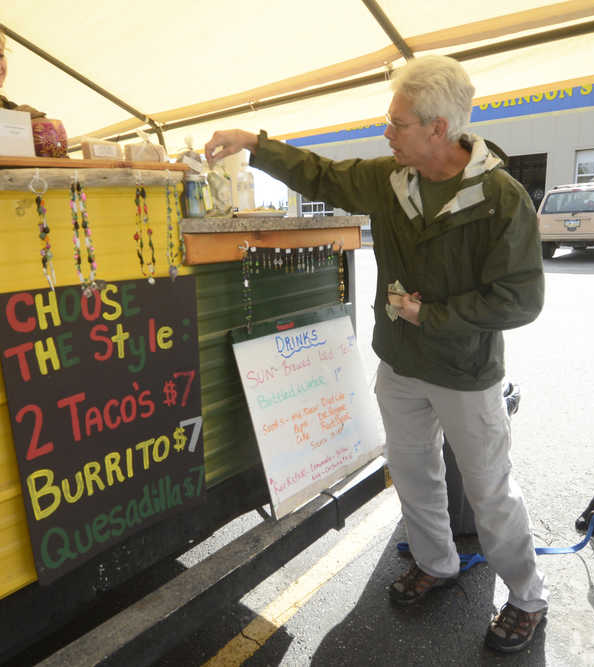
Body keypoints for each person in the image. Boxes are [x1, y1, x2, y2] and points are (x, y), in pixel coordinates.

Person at [205, 55, 548, 654]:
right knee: (414, 476)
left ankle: (527, 597)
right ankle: (437, 563)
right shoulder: (393, 179)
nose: (386, 133)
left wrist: (431, 316)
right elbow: (321, 175)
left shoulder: (500, 198)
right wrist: (252, 144)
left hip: (466, 375)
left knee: (491, 493)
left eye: (398, 123)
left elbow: (520, 300)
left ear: (438, 128)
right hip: (400, 366)